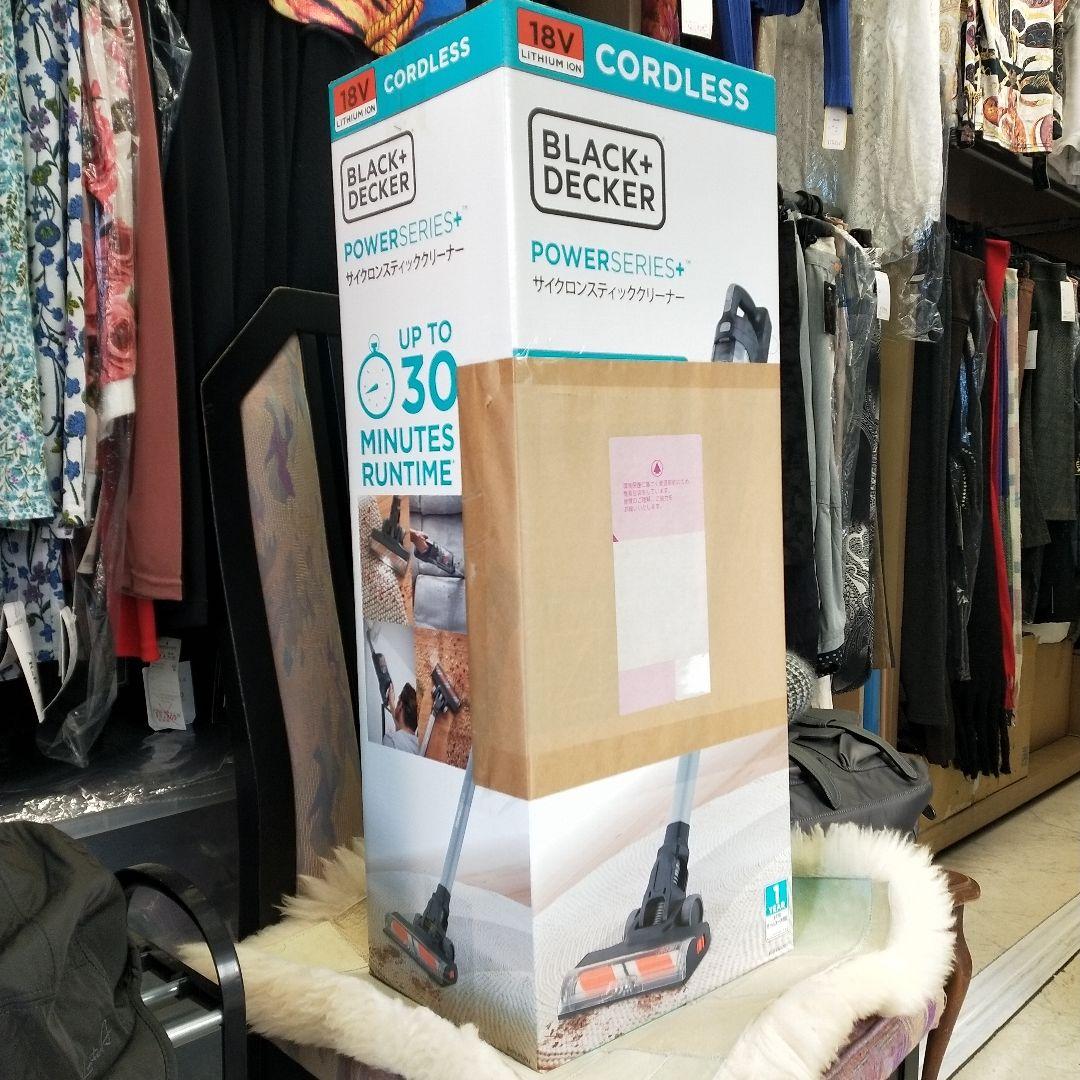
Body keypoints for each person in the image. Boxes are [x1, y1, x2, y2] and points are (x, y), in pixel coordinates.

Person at [383, 681, 420, 753]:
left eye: (398, 702)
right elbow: (401, 730)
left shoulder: (391, 740)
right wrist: (392, 705)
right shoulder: (419, 747)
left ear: (400, 706)